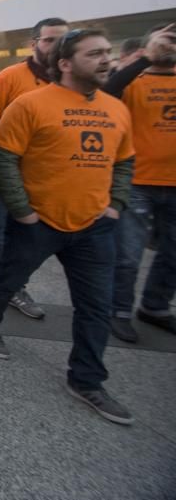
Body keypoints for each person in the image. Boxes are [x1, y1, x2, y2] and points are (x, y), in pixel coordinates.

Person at [0, 29, 135, 425]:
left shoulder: (117, 109)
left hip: (95, 226)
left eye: (107, 52)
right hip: (38, 221)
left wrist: (115, 205)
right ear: (64, 63)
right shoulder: (30, 104)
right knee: (7, 278)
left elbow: (125, 161)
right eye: (94, 53)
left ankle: (87, 379)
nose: (105, 60)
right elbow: (4, 157)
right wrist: (23, 210)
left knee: (96, 305)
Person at [0, 18, 69, 317]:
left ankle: (11, 283)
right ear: (34, 43)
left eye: (63, 40)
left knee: (33, 234)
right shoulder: (12, 77)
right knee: (11, 229)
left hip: (54, 173)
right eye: (49, 40)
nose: (56, 46)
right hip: (12, 168)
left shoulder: (69, 80)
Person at [102, 23, 176, 342]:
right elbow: (105, 94)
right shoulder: (134, 80)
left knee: (173, 252)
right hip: (136, 181)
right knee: (128, 254)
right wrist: (147, 56)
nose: (170, 46)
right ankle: (118, 310)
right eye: (166, 40)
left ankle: (155, 306)